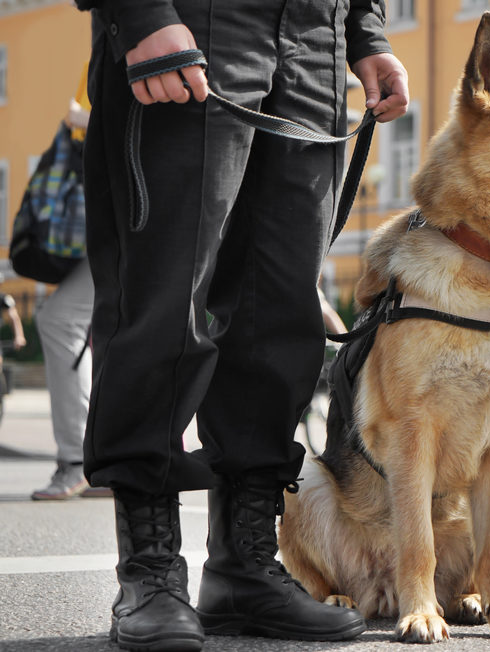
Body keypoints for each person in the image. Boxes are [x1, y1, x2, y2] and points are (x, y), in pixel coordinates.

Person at [74, 0, 408, 649]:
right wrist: (138, 14)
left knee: (279, 310)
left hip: (314, 35)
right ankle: (150, 568)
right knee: (164, 303)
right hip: (194, 22)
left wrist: (364, 29)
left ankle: (242, 566)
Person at [30, 72, 107, 502]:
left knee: (60, 319)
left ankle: (81, 460)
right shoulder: (100, 52)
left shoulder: (131, 35)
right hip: (124, 216)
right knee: (121, 330)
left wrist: (82, 119)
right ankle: (116, 461)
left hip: (134, 217)